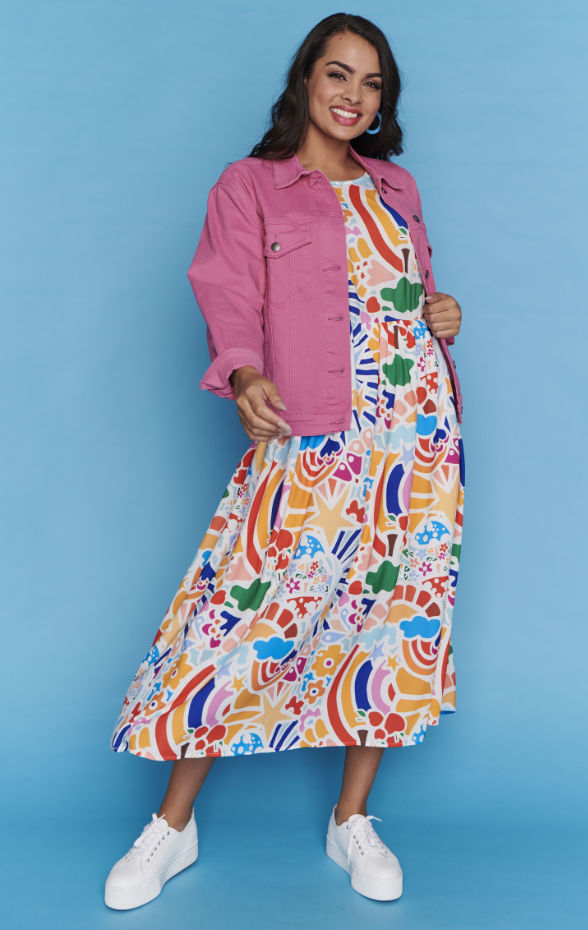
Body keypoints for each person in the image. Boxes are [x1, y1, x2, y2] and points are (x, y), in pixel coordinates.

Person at [104, 12, 465, 910]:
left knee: (391, 617)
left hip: (416, 437)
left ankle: (353, 818)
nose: (353, 96)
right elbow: (228, 291)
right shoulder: (251, 185)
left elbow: (405, 293)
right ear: (305, 79)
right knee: (238, 611)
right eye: (337, 74)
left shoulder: (396, 186)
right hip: (312, 432)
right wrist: (245, 372)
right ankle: (173, 827)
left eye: (371, 84)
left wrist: (442, 310)